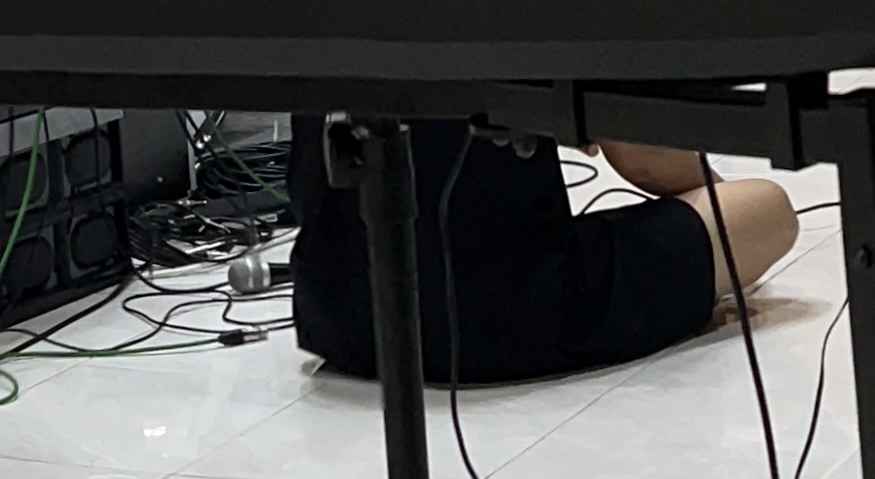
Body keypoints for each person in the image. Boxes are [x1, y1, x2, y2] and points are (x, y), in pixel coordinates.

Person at [292, 122, 801, 387]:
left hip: (339, 316)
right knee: (768, 208)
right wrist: (710, 201)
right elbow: (643, 159)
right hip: (504, 317)